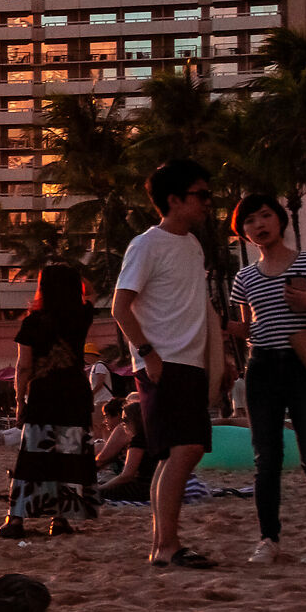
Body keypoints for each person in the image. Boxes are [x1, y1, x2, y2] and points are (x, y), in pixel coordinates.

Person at [112, 158, 221, 569]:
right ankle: (167, 545)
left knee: (178, 453)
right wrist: (147, 354)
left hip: (189, 362)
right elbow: (122, 307)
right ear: (174, 199)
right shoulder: (146, 244)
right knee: (186, 449)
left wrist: (219, 358)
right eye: (201, 195)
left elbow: (199, 308)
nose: (208, 202)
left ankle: (163, 544)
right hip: (163, 362)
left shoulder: (192, 245)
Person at [226, 191, 306, 563]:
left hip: (301, 363)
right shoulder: (244, 277)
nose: (258, 225)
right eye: (249, 221)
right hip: (260, 368)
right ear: (243, 232)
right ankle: (268, 539)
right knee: (267, 457)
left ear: (280, 219)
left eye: (264, 216)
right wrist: (218, 328)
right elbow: (248, 328)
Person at [0, 264, 99, 540]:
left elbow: (24, 367)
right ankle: (61, 518)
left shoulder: (33, 321)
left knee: (32, 456)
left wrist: (20, 400)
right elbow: (92, 293)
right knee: (68, 456)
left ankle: (16, 518)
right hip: (75, 395)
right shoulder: (82, 315)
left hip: (44, 394)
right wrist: (77, 280)